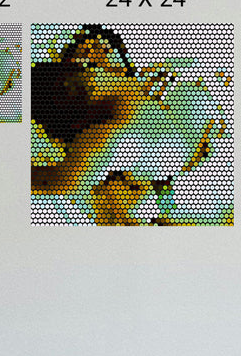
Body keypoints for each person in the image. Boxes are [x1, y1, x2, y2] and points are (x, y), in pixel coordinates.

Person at [30, 25, 229, 225]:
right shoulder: (107, 132)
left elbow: (60, 182)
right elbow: (62, 183)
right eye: (85, 53)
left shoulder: (132, 103)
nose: (94, 52)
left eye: (104, 49)